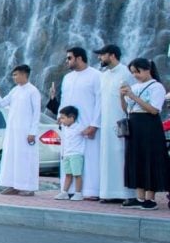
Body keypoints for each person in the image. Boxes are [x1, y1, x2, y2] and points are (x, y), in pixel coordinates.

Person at [49, 47, 102, 199]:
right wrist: (60, 116)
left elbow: (100, 102)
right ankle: (68, 190)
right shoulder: (68, 78)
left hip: (88, 126)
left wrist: (94, 124)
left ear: (79, 58)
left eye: (69, 58)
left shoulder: (96, 76)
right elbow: (65, 100)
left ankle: (91, 191)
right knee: (69, 158)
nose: (67, 61)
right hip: (69, 127)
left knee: (90, 158)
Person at [119, 58, 170, 210]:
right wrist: (122, 96)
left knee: (149, 158)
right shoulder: (134, 86)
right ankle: (139, 197)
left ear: (147, 69)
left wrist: (133, 96)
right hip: (134, 125)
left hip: (149, 125)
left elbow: (154, 109)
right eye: (133, 72)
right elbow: (126, 109)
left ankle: (150, 198)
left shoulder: (157, 87)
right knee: (136, 158)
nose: (135, 75)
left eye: (137, 71)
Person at [0, 64, 41, 196]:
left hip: (26, 132)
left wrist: (32, 132)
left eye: (16, 74)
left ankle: (29, 187)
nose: (14, 77)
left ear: (24, 74)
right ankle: (13, 185)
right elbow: (2, 104)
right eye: (13, 75)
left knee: (26, 158)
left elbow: (36, 113)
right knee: (12, 157)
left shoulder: (33, 91)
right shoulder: (15, 90)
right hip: (13, 132)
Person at [94, 45, 135, 203]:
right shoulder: (103, 76)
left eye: (102, 55)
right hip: (105, 123)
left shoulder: (126, 73)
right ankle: (108, 193)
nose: (99, 58)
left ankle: (126, 194)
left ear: (112, 55)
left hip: (121, 121)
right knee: (107, 156)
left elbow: (131, 98)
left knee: (121, 154)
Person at [54, 106, 86, 200]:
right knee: (68, 174)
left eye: (63, 118)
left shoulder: (78, 127)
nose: (61, 120)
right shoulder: (65, 128)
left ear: (71, 118)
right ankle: (64, 192)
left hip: (76, 154)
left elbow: (88, 133)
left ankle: (78, 193)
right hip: (66, 154)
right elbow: (59, 125)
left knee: (77, 174)